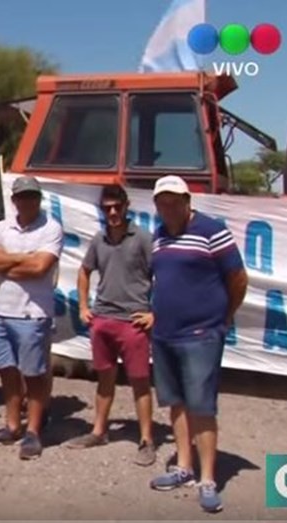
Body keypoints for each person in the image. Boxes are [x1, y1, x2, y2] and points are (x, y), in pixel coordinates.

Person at [147, 175, 248, 514]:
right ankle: (184, 467)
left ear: (188, 201)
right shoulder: (159, 236)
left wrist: (225, 316)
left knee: (202, 406)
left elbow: (237, 277)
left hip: (201, 335)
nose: (168, 206)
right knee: (176, 403)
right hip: (164, 335)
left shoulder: (211, 230)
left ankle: (207, 479)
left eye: (174, 200)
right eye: (162, 201)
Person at [66, 184, 157, 466]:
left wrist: (154, 313)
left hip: (133, 322)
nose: (113, 212)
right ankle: (99, 431)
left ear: (126, 206)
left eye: (117, 207)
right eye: (107, 208)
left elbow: (163, 276)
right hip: (103, 320)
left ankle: (146, 439)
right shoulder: (99, 239)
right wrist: (83, 307)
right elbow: (84, 271)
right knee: (104, 378)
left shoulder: (142, 238)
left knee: (140, 382)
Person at [0, 175, 63, 460]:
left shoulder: (51, 228)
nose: (28, 201)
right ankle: (12, 425)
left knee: (34, 375)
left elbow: (40, 268)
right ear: (14, 200)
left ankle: (34, 432)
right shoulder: (3, 226)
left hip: (32, 314)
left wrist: (7, 262)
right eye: (23, 196)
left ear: (39, 199)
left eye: (33, 196)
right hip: (2, 311)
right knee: (7, 371)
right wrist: (23, 258)